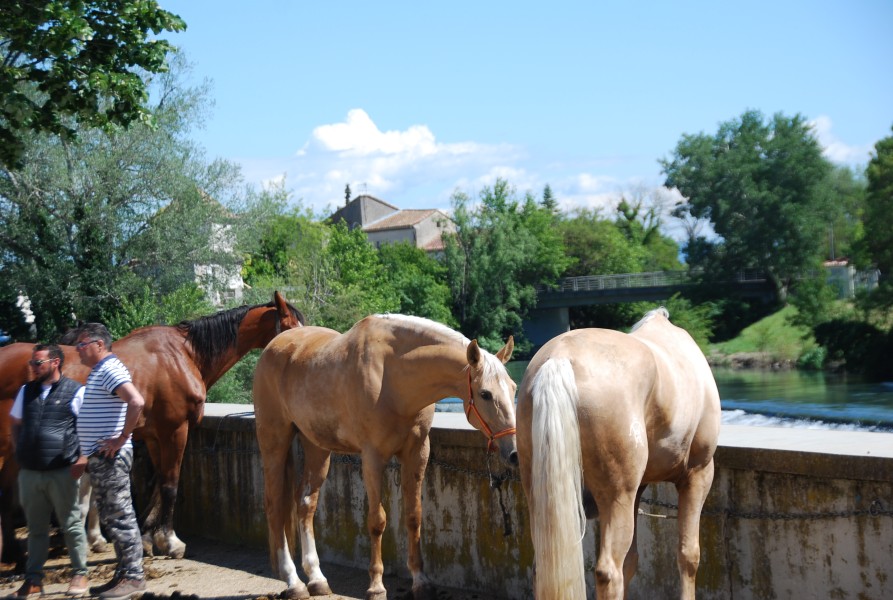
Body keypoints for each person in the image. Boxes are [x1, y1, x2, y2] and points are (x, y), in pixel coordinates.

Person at [71, 324, 147, 600]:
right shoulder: (100, 370)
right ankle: (123, 573)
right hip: (102, 458)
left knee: (121, 516)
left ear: (99, 345)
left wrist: (121, 437)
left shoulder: (111, 369)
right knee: (112, 517)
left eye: (82, 344)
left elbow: (136, 401)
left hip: (111, 458)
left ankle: (134, 577)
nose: (78, 350)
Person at [10, 344, 89, 599]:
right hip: (30, 472)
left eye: (38, 363)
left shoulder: (75, 391)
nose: (33, 367)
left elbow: (87, 427)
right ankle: (33, 580)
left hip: (61, 470)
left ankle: (80, 573)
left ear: (55, 362)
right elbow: (15, 423)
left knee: (71, 524)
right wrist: (19, 450)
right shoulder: (26, 391)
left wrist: (83, 458)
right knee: (35, 529)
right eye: (32, 363)